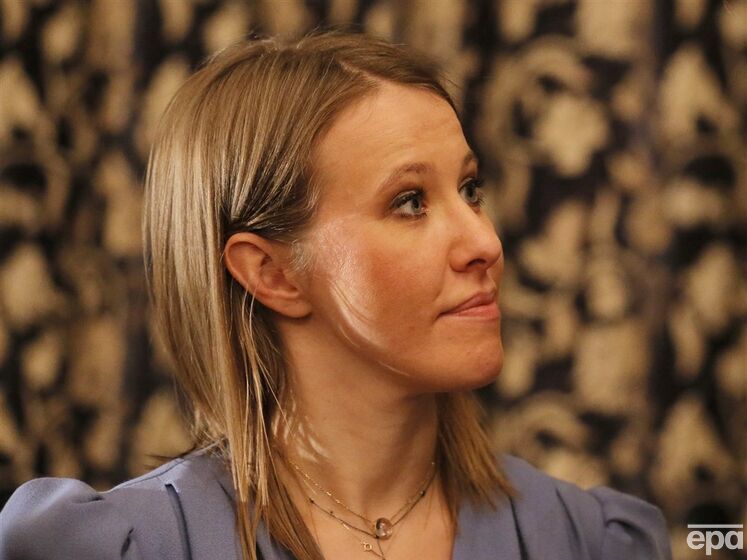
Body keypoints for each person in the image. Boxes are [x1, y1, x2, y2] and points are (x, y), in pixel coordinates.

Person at [0, 30, 672, 560]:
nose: (484, 241)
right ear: (272, 273)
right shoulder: (130, 548)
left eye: (470, 190)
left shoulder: (585, 540)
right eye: (409, 202)